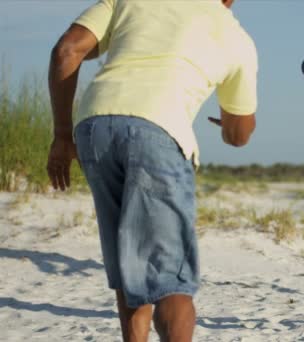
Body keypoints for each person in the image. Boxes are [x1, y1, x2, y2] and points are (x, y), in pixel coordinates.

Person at [46, 0, 257, 340]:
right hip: (159, 130)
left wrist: (61, 135)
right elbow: (238, 135)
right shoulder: (237, 38)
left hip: (94, 127)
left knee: (131, 264)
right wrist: (230, 125)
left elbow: (66, 51)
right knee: (172, 280)